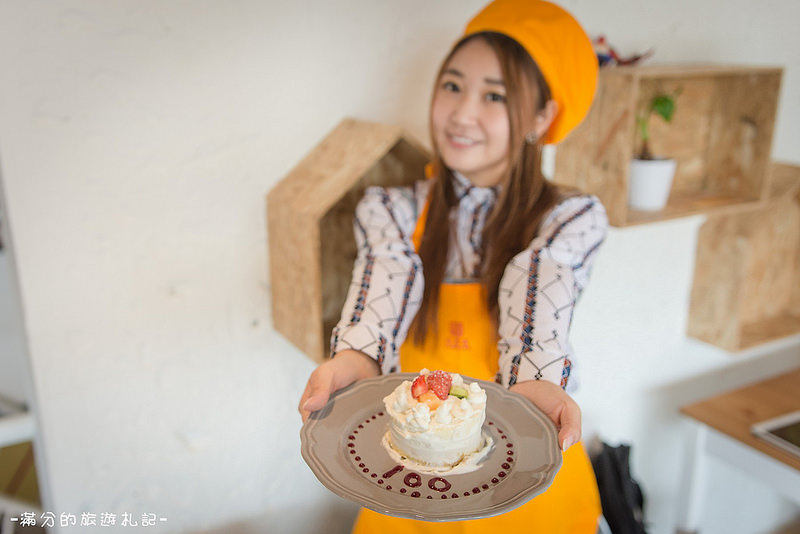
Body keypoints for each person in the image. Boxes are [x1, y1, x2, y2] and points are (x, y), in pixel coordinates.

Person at [299, 0, 608, 532]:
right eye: (452, 85)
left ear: (542, 117)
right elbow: (385, 277)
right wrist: (355, 358)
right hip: (406, 475)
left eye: (494, 95)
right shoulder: (392, 210)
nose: (462, 113)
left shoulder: (569, 218)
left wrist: (533, 387)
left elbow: (540, 277)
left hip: (527, 477)